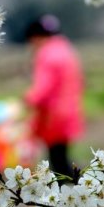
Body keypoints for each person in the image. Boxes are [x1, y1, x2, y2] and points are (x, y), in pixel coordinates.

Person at [24, 15, 84, 180]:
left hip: (53, 116)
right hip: (69, 111)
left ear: (36, 37)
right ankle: (78, 191)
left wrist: (27, 100)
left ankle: (78, 192)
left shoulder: (47, 54)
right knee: (60, 158)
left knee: (59, 162)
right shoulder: (66, 49)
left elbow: (43, 88)